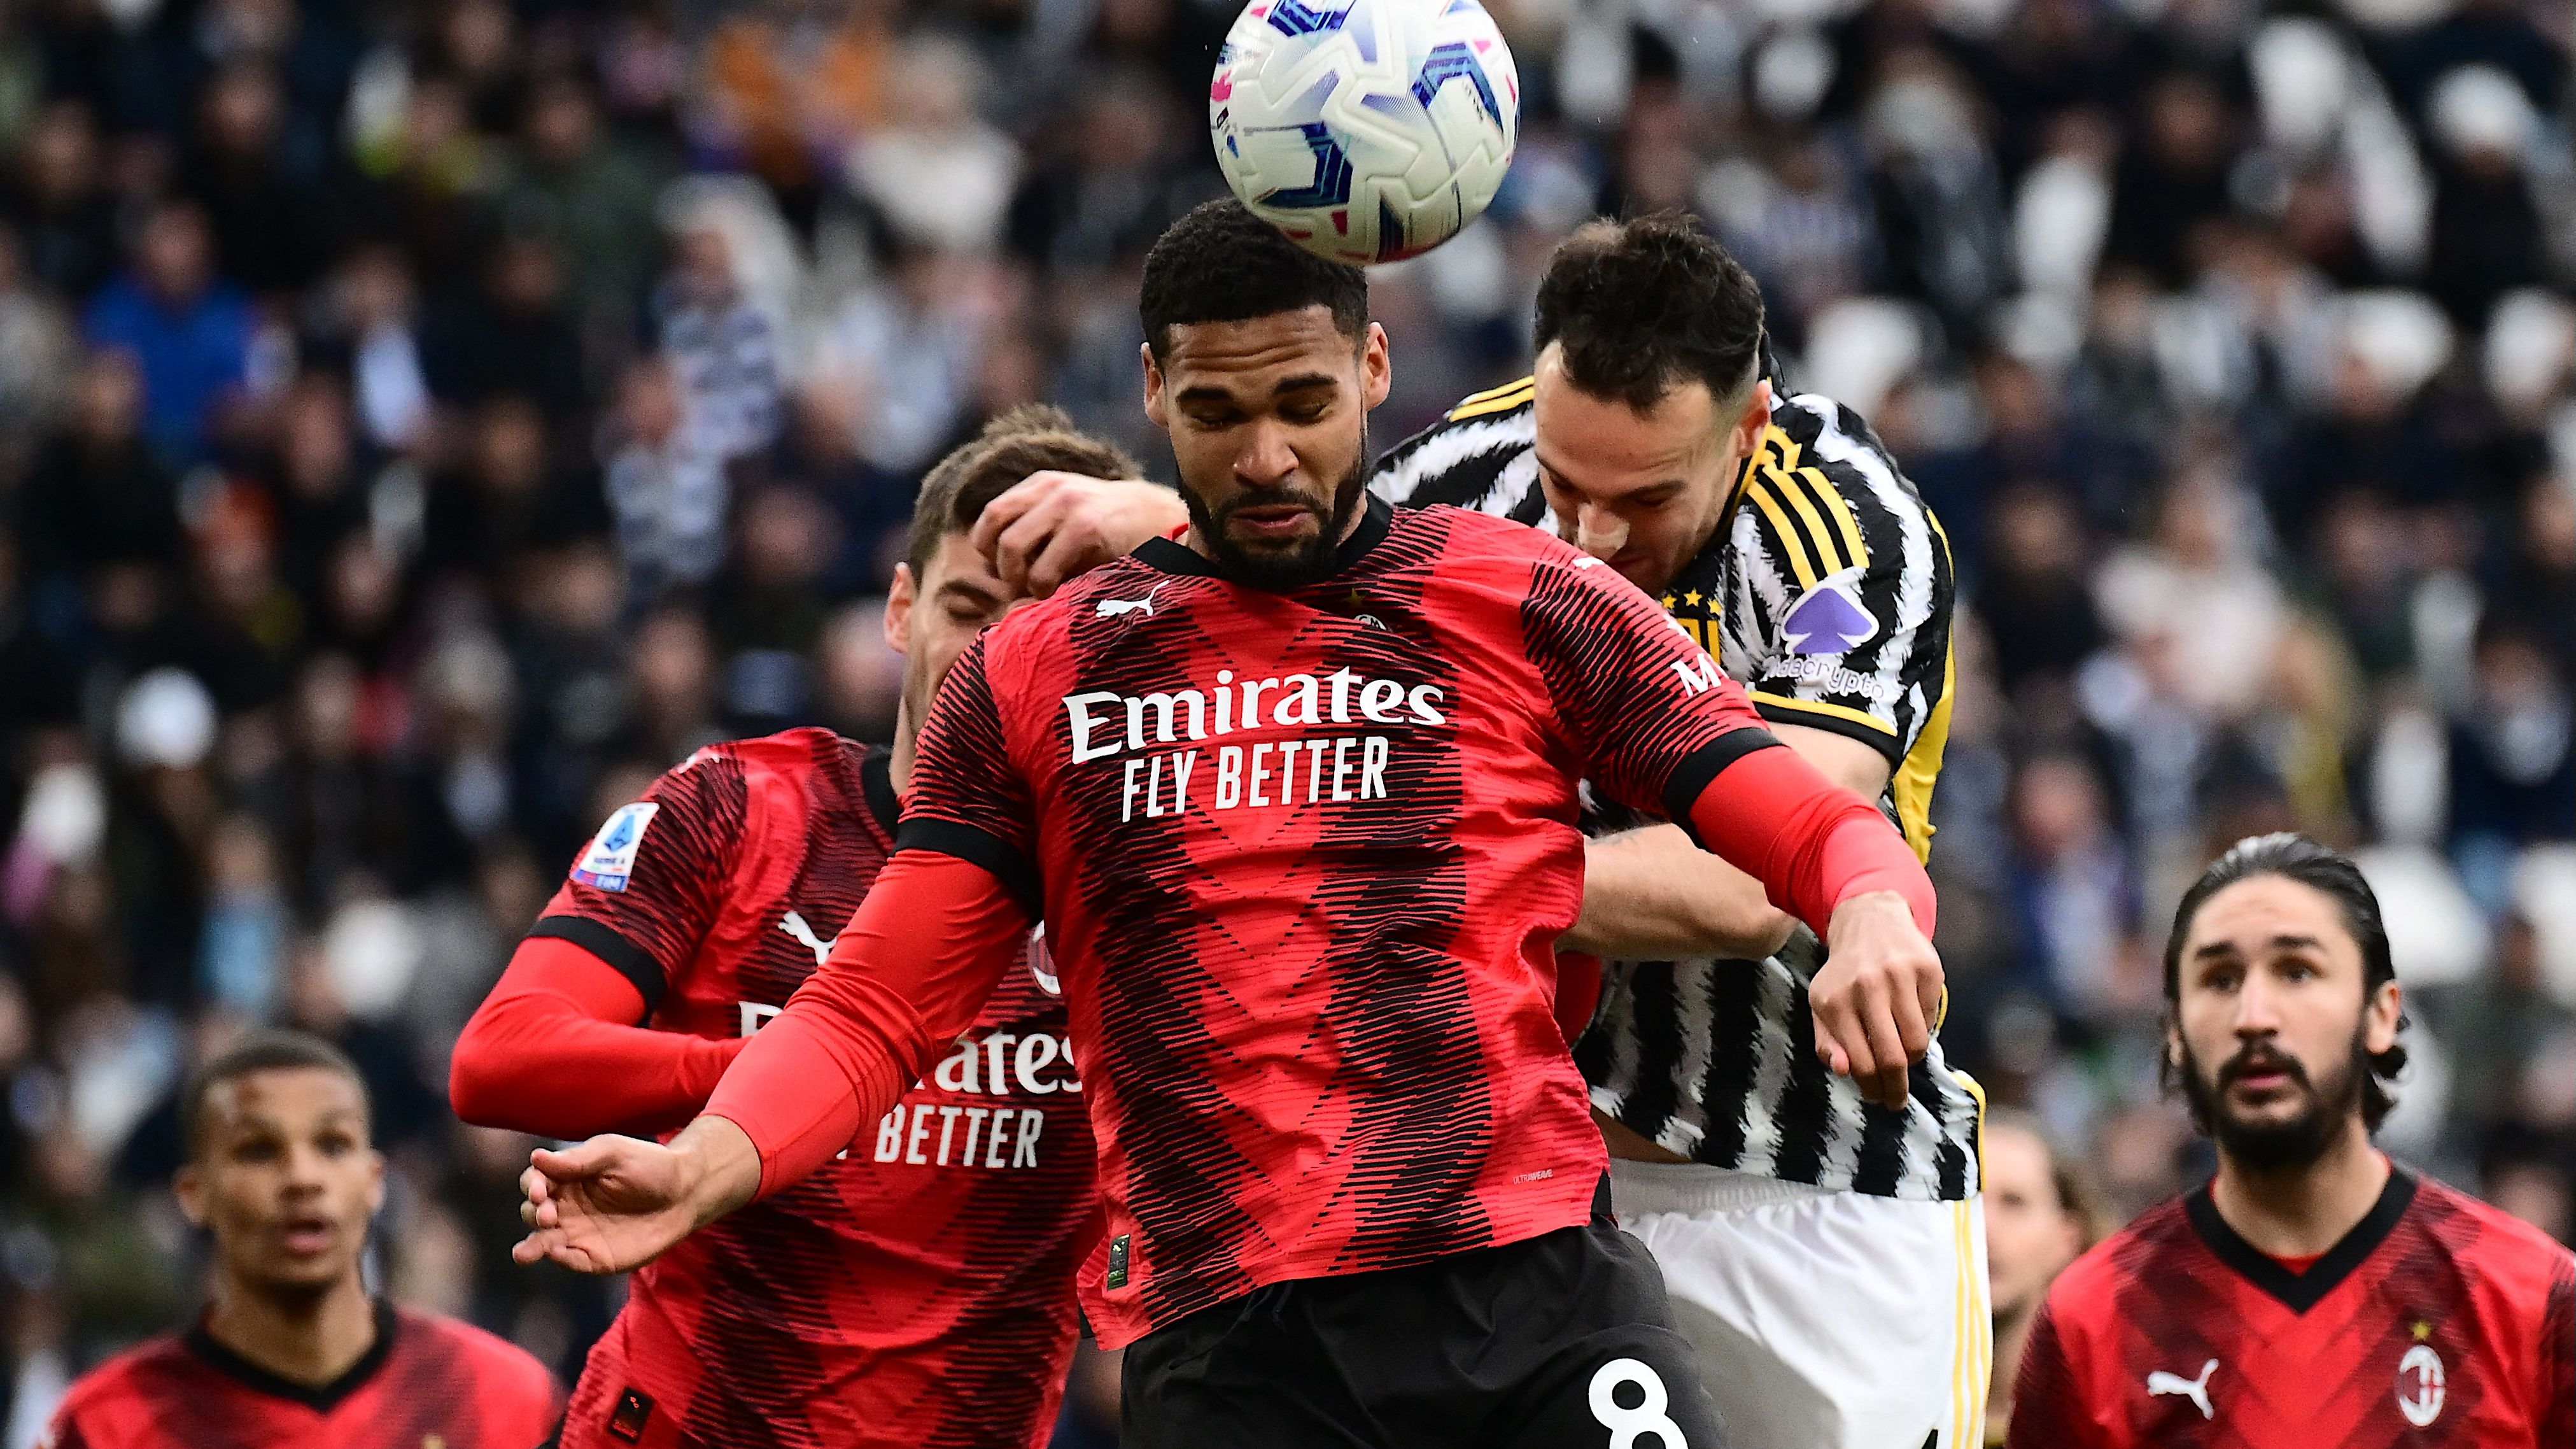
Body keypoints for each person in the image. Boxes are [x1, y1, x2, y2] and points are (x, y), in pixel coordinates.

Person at [510, 197, 1948, 1448]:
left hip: (1535, 1300)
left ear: (1372, 371)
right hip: (1239, 1353)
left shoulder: (1522, 594)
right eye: (1216, 413)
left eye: (1303, 407)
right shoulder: (1040, 669)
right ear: (1152, 391)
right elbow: (873, 1007)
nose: (1264, 456)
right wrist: (703, 1163)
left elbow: (1800, 820)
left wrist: (1876, 905)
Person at [1371, 211, 1987, 1448]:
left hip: (1817, 1192)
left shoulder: (1846, 543)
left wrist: (1446, 874)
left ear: (1747, 428)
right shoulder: (1454, 478)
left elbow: (1755, 873)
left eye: (1643, 496)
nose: (1592, 536)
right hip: (1532, 1186)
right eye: (1565, 488)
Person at [449, 406, 1174, 1448]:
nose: (998, 659)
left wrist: (1170, 518)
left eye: (1041, 624)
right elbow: (499, 1058)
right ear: (898, 608)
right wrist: (797, 1078)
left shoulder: (1139, 886)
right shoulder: (736, 809)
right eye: (970, 609)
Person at [2009, 834, 2576, 1447]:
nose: (2254, 1014)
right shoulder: (2092, 1318)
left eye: (2297, 971)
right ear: (2174, 1031)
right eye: (2219, 979)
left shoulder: (2528, 1297)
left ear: (2380, 1014)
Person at [43, 1031, 561, 1448]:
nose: (303, 1177)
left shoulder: (509, 1401)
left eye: (333, 1145)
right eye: (259, 1150)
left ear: (375, 1182)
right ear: (194, 1194)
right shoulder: (104, 1426)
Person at [1979, 1109, 2102, 1445]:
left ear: (2068, 1238)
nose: (1983, 1228)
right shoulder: (1884, 1408)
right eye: (1967, 1199)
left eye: (2013, 1203)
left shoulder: (2111, 1413)